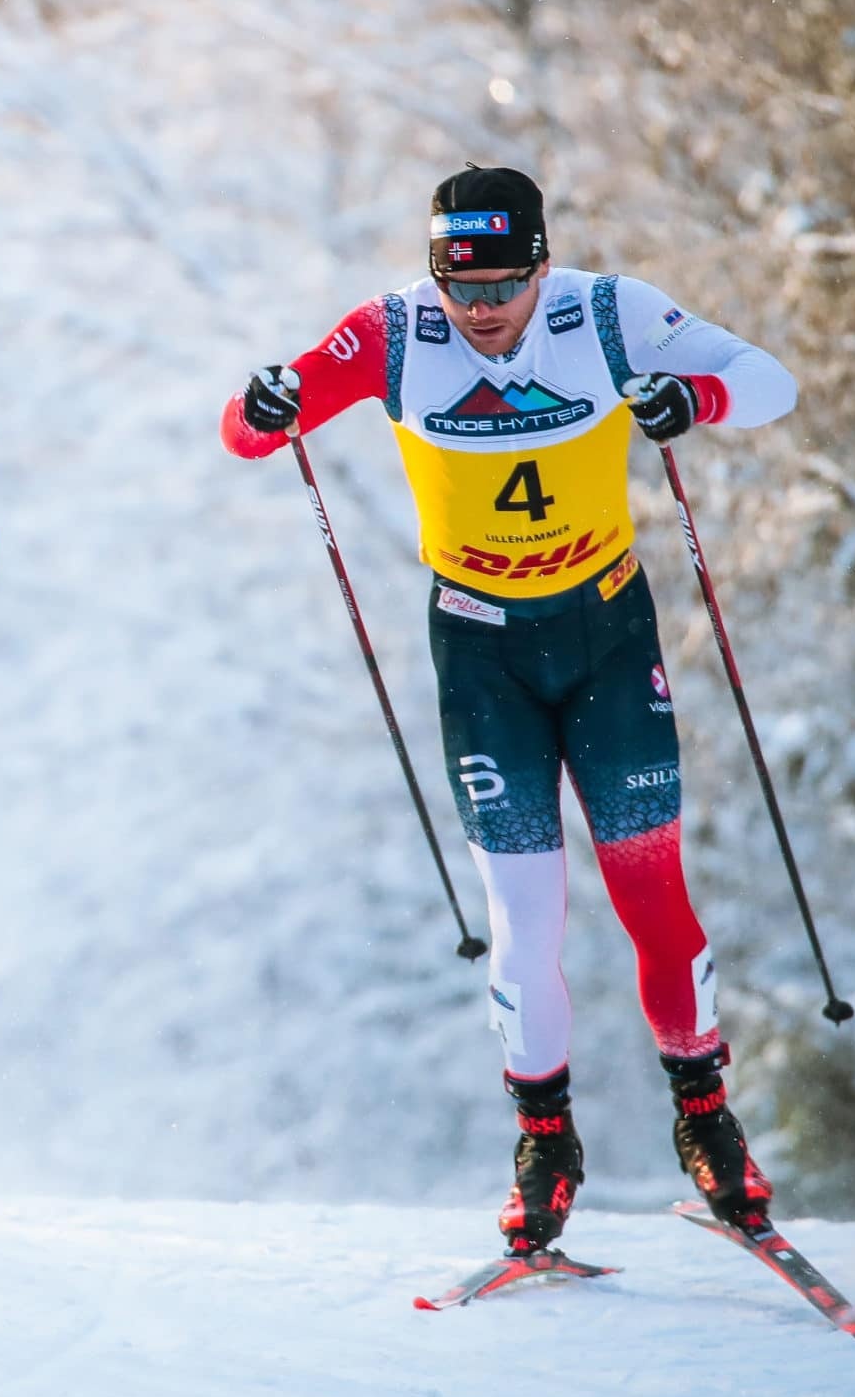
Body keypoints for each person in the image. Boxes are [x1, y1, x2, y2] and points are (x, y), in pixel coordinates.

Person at [220, 165, 799, 1252]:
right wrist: (264, 407)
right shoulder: (392, 334)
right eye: (458, 283)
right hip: (481, 657)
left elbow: (770, 380)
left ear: (541, 264)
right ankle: (544, 1142)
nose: (479, 309)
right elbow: (250, 429)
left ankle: (707, 1122)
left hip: (607, 639)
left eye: (500, 283)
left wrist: (696, 399)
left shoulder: (606, 313)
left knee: (651, 897)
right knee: (525, 921)